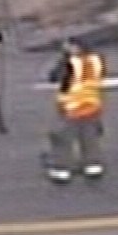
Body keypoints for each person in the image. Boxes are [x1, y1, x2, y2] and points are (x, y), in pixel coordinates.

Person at [43, 36, 107, 183]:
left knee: (62, 138)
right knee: (90, 137)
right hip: (92, 104)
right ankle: (92, 165)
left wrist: (63, 59)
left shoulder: (70, 63)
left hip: (72, 106)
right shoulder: (96, 60)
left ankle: (62, 168)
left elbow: (55, 77)